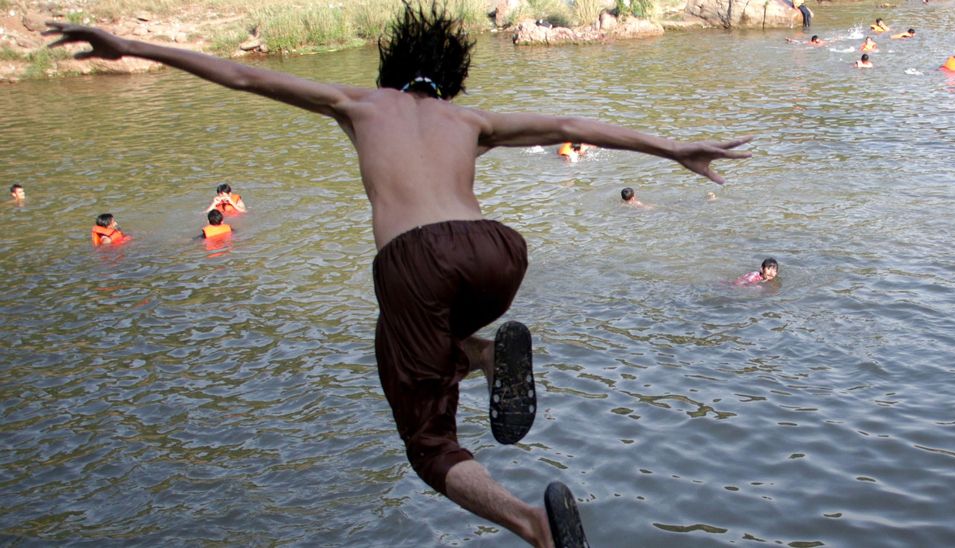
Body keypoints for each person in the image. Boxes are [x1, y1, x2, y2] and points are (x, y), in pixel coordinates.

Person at [45, 6, 750, 547]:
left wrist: (128, 45)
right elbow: (573, 120)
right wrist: (673, 147)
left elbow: (241, 74)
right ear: (451, 77)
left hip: (416, 260)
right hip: (498, 252)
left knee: (427, 442)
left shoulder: (357, 104)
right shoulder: (470, 118)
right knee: (408, 343)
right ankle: (477, 352)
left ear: (390, 71)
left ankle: (533, 526)